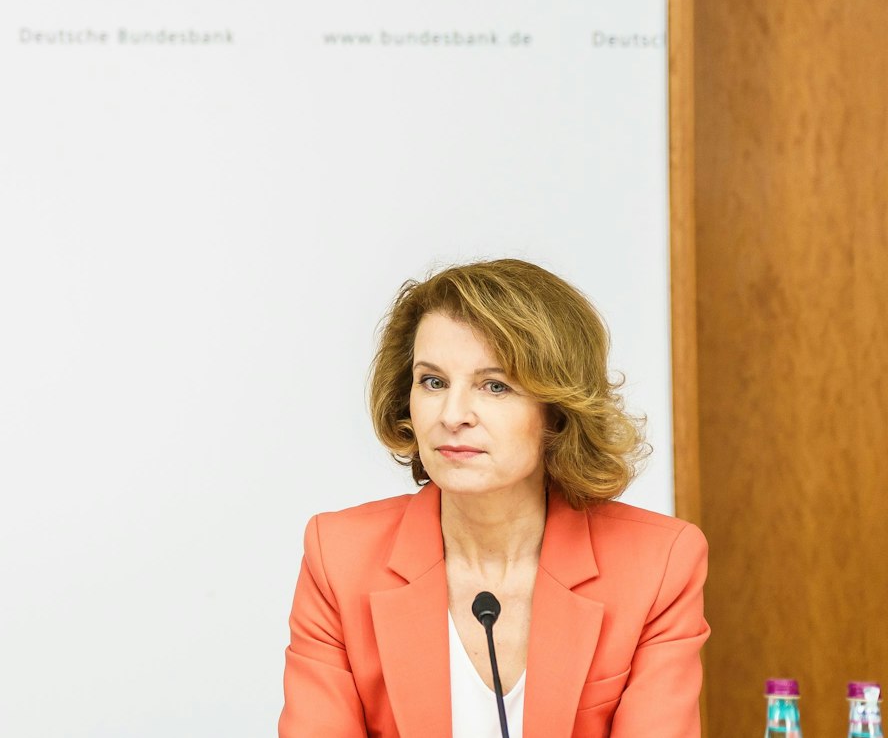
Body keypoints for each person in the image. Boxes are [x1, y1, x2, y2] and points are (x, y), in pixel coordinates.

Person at [279, 259, 706, 738]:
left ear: (558, 410)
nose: (453, 414)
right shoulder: (338, 557)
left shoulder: (657, 564)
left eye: (495, 385)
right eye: (433, 382)